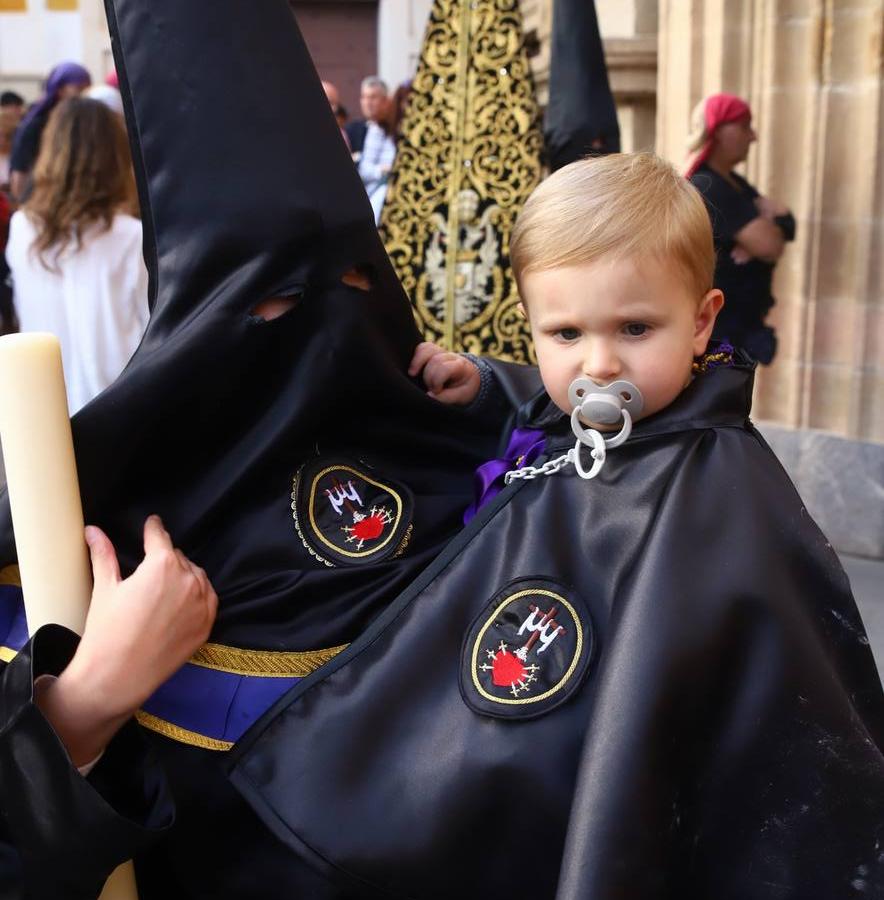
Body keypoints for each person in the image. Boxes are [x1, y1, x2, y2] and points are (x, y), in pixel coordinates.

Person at [4, 152, 882, 899]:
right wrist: (493, 385)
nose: (599, 363)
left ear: (702, 321)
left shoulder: (720, 490)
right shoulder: (597, 402)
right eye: (565, 333)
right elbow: (562, 417)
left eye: (635, 327)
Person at [5, 97, 148, 414]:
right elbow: (149, 331)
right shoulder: (130, 236)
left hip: (44, 408)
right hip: (115, 410)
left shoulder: (23, 228)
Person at [686, 92, 795, 364]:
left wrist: (780, 219)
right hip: (720, 332)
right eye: (745, 126)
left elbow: (781, 233)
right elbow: (770, 245)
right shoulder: (709, 185)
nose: (753, 136)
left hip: (737, 326)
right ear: (720, 132)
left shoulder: (734, 183)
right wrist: (772, 224)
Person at [8, 62, 91, 203]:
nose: (84, 95)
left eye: (87, 89)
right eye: (79, 88)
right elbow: (19, 179)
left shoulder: (82, 125)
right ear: (60, 90)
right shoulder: (34, 125)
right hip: (39, 204)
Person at [346, 74, 387, 160]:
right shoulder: (352, 130)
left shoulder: (392, 129)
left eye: (373, 97)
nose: (367, 103)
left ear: (384, 100)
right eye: (364, 97)